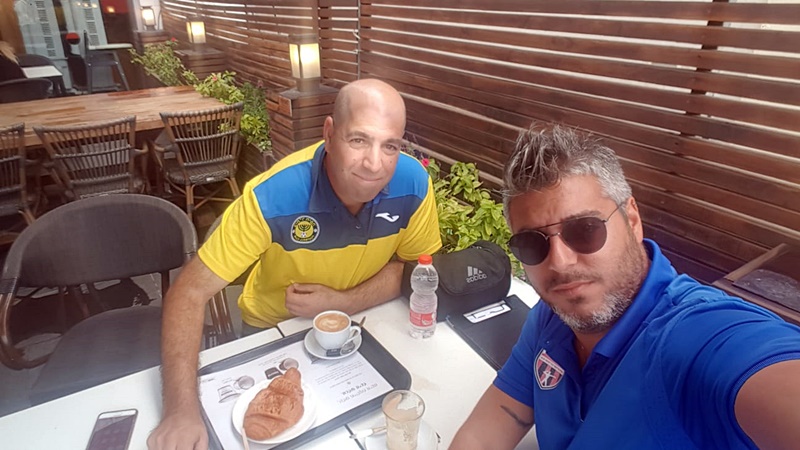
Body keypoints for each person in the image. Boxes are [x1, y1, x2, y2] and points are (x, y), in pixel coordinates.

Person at [450, 123, 800, 449]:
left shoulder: (694, 339)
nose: (559, 262)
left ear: (631, 220)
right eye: (532, 243)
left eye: (584, 229)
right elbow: (489, 427)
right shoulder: (551, 319)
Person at [147, 78, 442, 449]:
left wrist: (343, 302)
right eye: (358, 140)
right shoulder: (272, 196)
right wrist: (179, 411)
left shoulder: (413, 183)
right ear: (329, 134)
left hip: (366, 321)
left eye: (390, 146)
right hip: (276, 331)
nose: (374, 164)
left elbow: (418, 269)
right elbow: (188, 293)